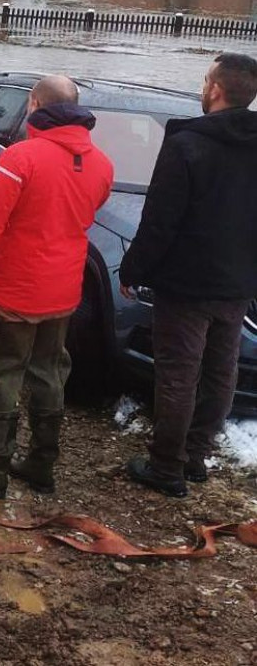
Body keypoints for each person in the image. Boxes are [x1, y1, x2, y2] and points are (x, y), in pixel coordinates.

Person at [0, 75, 114, 500]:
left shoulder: (19, 159)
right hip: (64, 291)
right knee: (49, 371)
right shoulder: (102, 164)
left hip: (13, 290)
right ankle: (41, 463)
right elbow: (85, 213)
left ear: (34, 105)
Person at [119, 53, 257, 498]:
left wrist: (133, 269)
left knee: (179, 374)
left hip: (186, 284)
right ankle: (195, 456)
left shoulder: (187, 145)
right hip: (237, 284)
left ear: (215, 89)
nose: (203, 87)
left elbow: (160, 221)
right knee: (220, 372)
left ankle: (166, 466)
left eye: (205, 80)